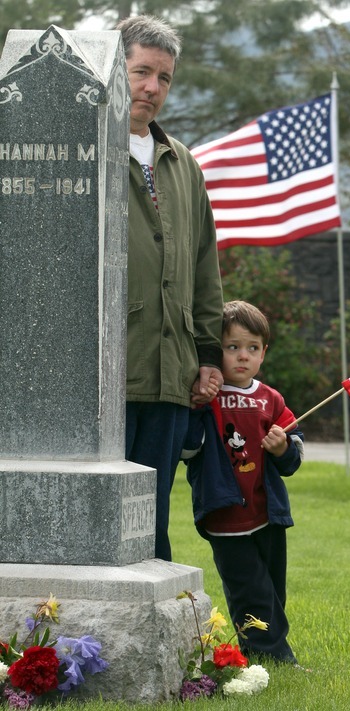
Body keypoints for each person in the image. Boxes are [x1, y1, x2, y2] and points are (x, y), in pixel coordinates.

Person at [116, 15, 224, 561]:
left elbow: (206, 269)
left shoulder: (184, 165)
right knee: (98, 525)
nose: (153, 88)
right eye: (141, 72)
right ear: (116, 69)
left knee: (151, 528)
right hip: (105, 377)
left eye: (164, 78)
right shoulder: (85, 152)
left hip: (171, 376)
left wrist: (209, 355)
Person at [183, 301, 305, 664]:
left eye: (252, 348)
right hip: (226, 515)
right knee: (249, 588)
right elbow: (188, 450)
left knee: (271, 588)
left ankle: (258, 650)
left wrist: (283, 447)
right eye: (232, 347)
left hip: (268, 513)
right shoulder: (206, 397)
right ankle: (276, 657)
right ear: (214, 350)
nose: (242, 356)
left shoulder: (271, 400)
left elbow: (293, 459)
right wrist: (196, 411)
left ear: (263, 353)